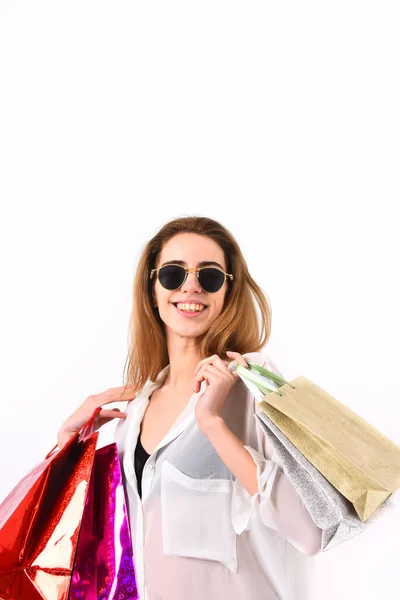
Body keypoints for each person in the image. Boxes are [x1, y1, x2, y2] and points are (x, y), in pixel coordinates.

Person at [57, 216, 323, 600]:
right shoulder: (135, 413)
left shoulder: (258, 382)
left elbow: (310, 530)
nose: (191, 286)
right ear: (152, 289)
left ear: (228, 291)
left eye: (210, 276)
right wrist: (69, 452)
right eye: (173, 274)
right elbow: (109, 552)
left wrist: (213, 423)